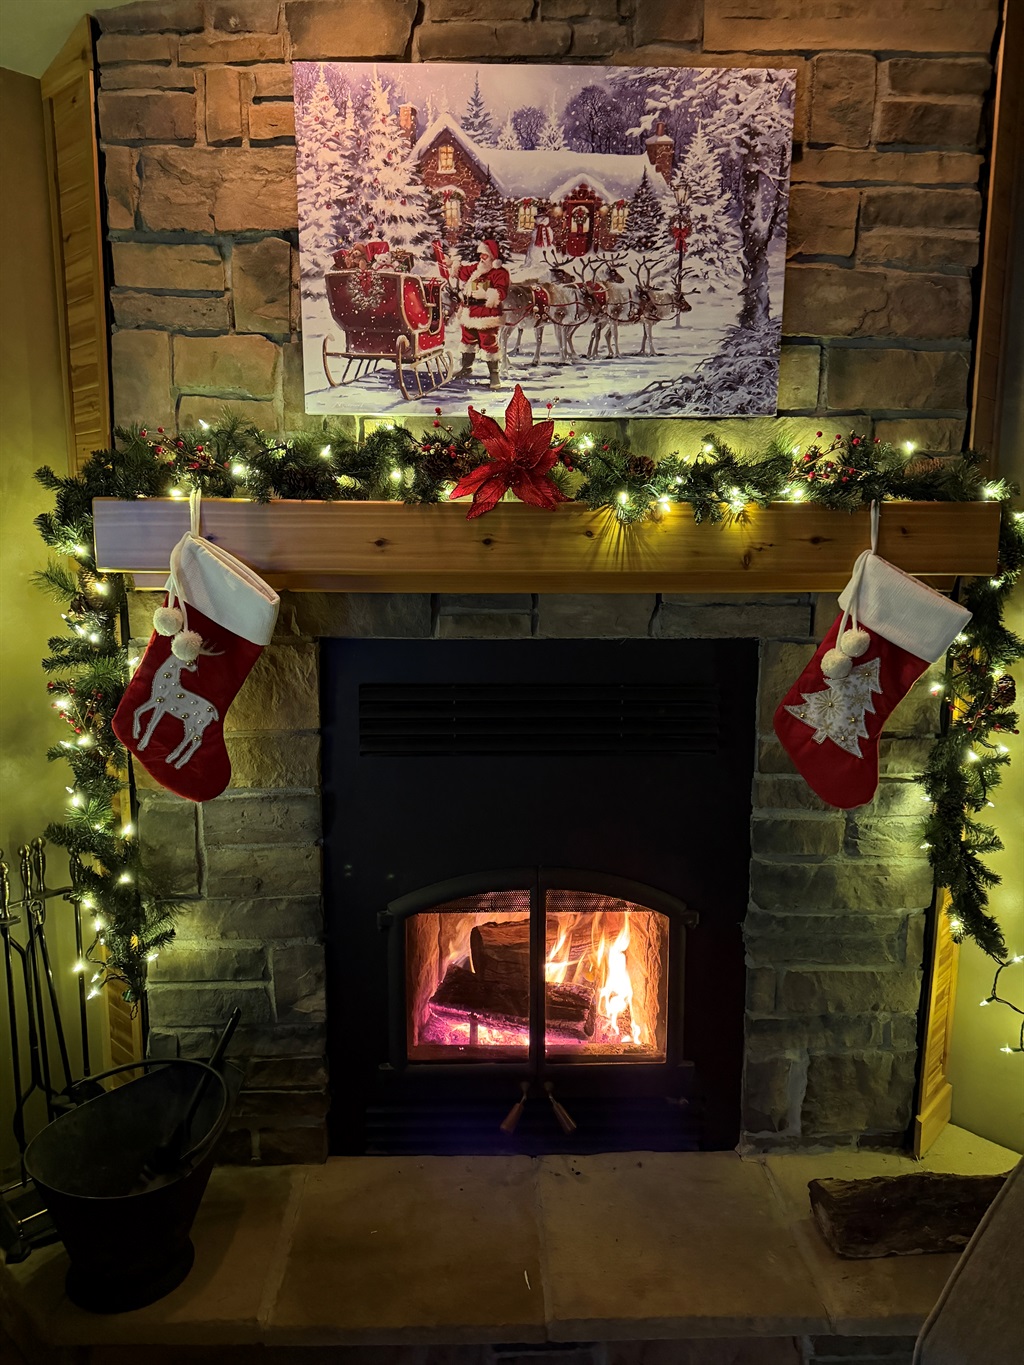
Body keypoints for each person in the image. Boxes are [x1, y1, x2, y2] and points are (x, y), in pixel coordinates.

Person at [449, 238, 510, 389]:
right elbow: (463, 272)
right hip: (469, 312)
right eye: (480, 255)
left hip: (486, 314)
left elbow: (502, 292)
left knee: (488, 343)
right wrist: (453, 265)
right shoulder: (477, 268)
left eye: (484, 255)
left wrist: (488, 294)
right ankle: (466, 368)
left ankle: (494, 376)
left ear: (493, 257)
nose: (481, 258)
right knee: (467, 340)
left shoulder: (500, 273)